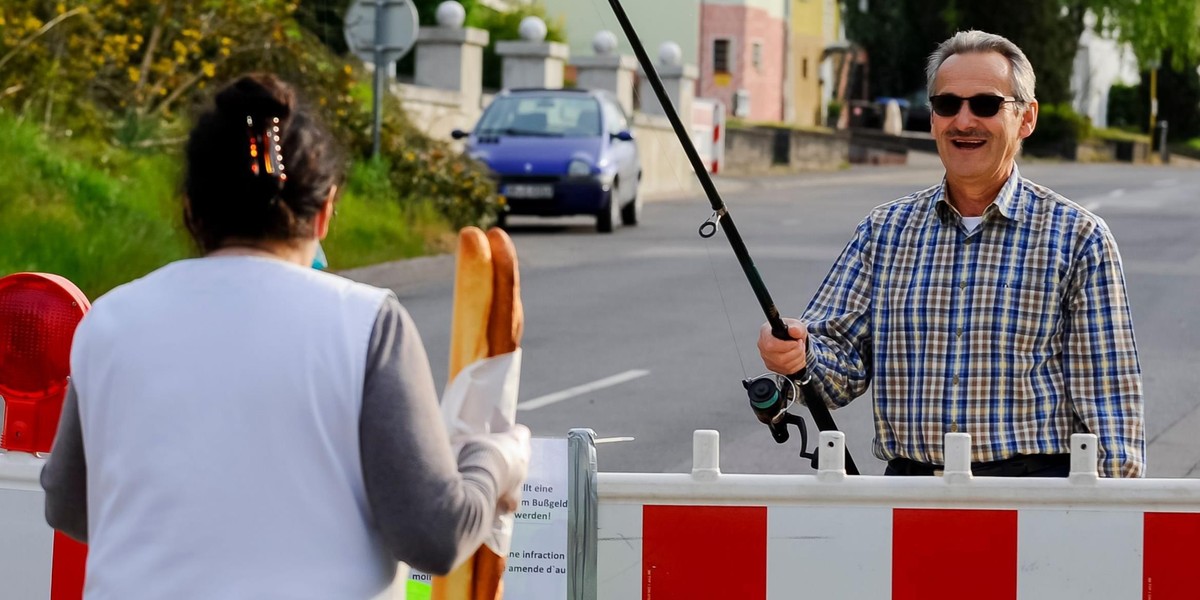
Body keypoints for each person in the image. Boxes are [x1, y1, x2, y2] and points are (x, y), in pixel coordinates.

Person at [40, 73, 531, 598]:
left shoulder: (110, 322)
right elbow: (434, 534)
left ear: (190, 209)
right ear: (324, 212)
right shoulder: (367, 324)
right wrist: (494, 459)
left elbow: (70, 505)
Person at [757, 30, 1144, 478]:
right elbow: (836, 367)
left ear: (1026, 118)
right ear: (932, 118)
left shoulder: (1079, 238)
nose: (963, 121)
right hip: (911, 494)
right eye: (947, 105)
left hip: (1035, 497)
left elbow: (1111, 403)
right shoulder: (883, 232)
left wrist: (1116, 518)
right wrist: (799, 353)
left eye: (985, 104)